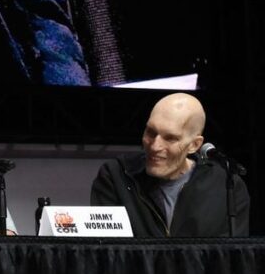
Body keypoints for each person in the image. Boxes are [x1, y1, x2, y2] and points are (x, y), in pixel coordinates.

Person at [90, 93, 249, 237]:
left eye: (170, 138)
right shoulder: (116, 175)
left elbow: (230, 261)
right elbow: (107, 256)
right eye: (151, 133)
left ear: (194, 145)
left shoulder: (226, 186)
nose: (155, 146)